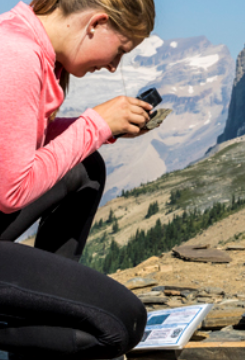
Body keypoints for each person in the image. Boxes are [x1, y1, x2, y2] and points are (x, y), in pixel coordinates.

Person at [0, 0, 156, 358]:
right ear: (95, 23)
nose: (114, 66)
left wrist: (103, 130)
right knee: (118, 326)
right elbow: (11, 190)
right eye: (120, 50)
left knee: (86, 166)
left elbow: (15, 141)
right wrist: (94, 125)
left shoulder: (25, 43)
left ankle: (45, 308)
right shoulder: (15, 53)